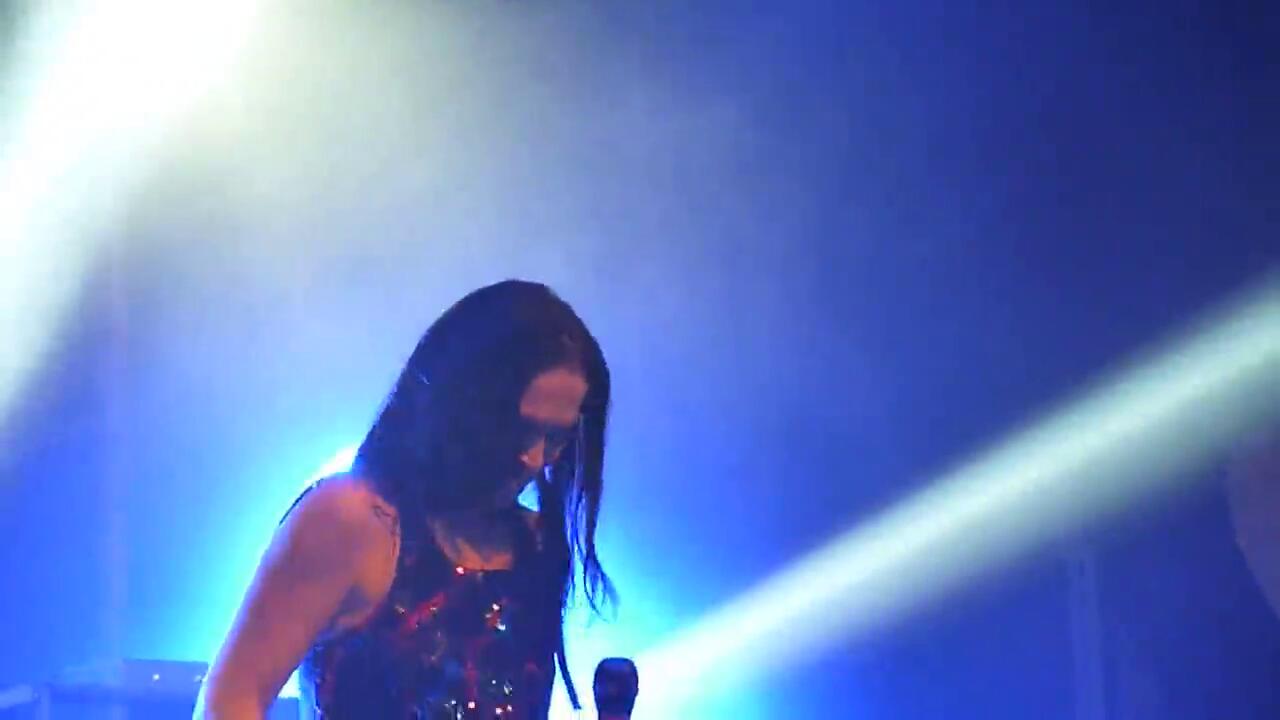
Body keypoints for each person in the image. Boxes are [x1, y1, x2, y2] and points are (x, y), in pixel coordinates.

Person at [195, 280, 616, 719]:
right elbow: (229, 700)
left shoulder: (536, 544)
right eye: (520, 428)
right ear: (462, 404)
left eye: (557, 437)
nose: (534, 458)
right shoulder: (352, 520)